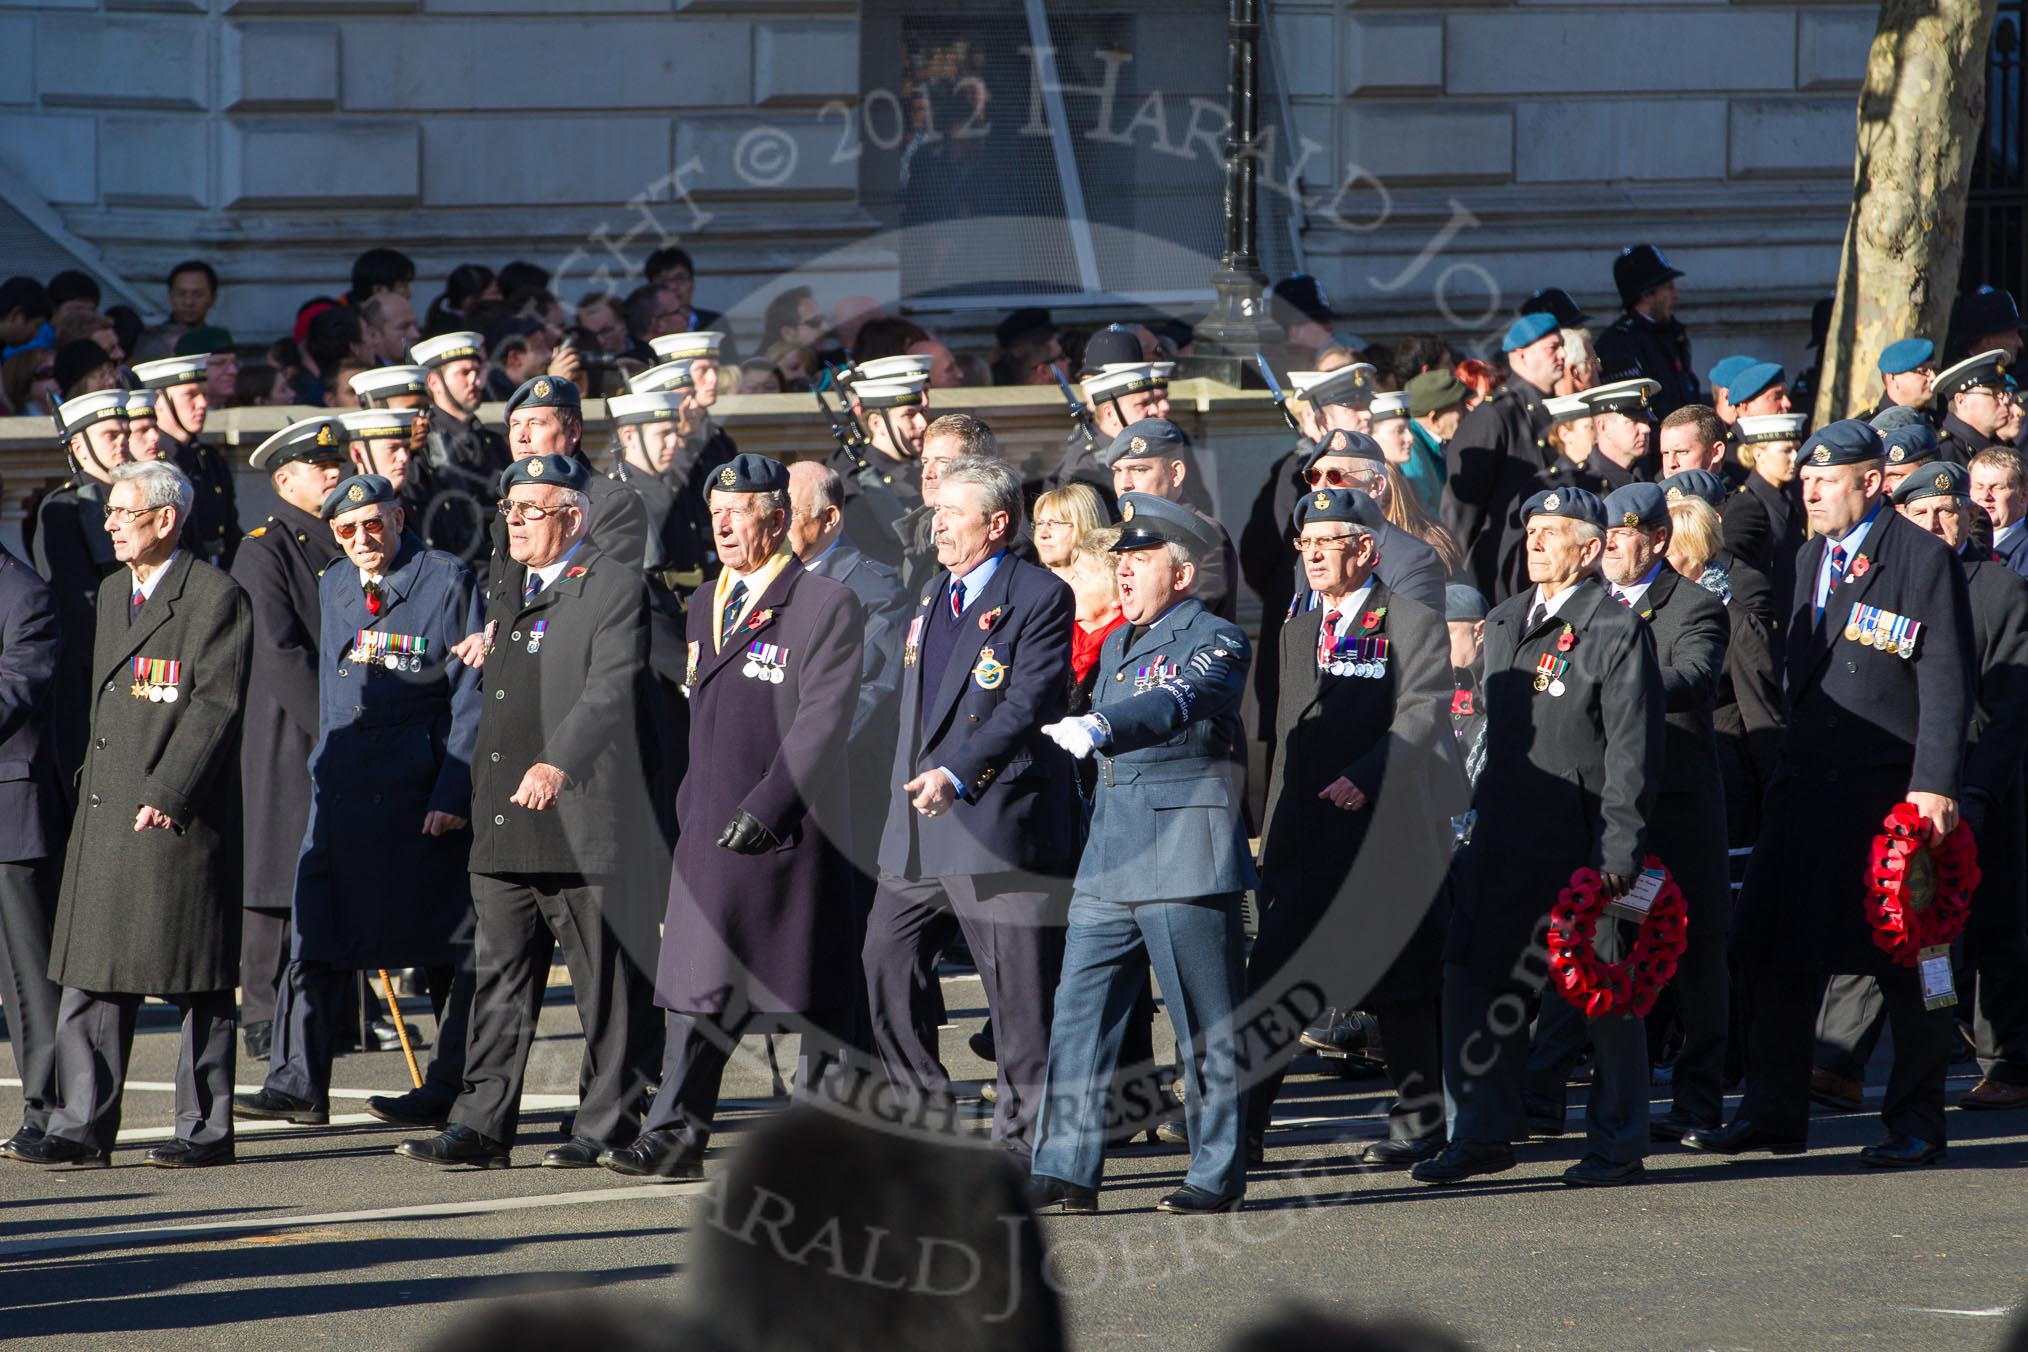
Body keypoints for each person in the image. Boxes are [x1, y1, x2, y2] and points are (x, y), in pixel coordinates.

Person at [1687, 419, 1974, 1169]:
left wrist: (1935, 784)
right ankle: (1772, 1114)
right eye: (1806, 478)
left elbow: (1945, 675)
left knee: (1908, 965)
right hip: (1806, 791)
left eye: (1829, 478)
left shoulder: (1919, 558)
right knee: (1767, 948)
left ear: (1872, 483)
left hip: (1888, 796)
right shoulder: (1810, 554)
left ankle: (1915, 1120)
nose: (1810, 488)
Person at [599, 454, 863, 1181]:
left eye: (738, 511)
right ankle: (674, 1136)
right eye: (716, 509)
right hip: (710, 826)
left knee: (815, 995)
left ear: (776, 520)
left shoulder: (823, 602)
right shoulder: (703, 600)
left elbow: (820, 723)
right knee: (696, 987)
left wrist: (768, 807)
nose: (721, 523)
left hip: (785, 830)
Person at [397, 453, 658, 1170]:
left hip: (577, 817)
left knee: (603, 986)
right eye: (507, 511)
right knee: (499, 981)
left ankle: (605, 1123)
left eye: (529, 511)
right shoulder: (507, 582)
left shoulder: (609, 585)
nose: (512, 523)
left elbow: (610, 688)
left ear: (572, 518)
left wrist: (559, 760)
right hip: (504, 814)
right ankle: (481, 1124)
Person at [1418, 486, 1663, 1188]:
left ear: (1589, 550)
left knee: (1601, 996)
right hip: (1498, 841)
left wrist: (1618, 854)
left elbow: (1631, 752)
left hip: (1579, 845)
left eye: (1552, 531)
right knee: (1471, 979)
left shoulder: (1614, 628)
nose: (1535, 541)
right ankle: (1483, 1132)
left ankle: (1617, 1143)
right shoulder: (1501, 620)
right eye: (1530, 529)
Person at [18, 461, 253, 1168]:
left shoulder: (214, 595)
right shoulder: (116, 590)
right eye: (111, 512)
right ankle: (79, 1128)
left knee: (197, 976)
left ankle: (205, 1131)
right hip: (108, 807)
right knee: (94, 971)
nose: (111, 523)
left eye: (124, 511)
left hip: (176, 814)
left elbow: (214, 706)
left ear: (166, 518)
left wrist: (169, 792)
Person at [233, 474, 484, 1128]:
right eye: (346, 530)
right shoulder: (334, 583)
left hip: (420, 786)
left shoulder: (446, 579)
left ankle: (452, 1083)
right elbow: (331, 692)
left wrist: (454, 788)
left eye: (374, 523)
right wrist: (323, 771)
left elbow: (469, 695)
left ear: (400, 518)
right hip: (344, 785)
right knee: (314, 930)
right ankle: (296, 1081)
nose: (362, 539)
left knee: (441, 945)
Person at [1027, 493, 1254, 1215]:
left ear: (1182, 574)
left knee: (1203, 1023)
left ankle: (1216, 1173)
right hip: (1113, 850)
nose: (1123, 572)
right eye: (1119, 560)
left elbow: (1177, 702)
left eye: (1140, 559)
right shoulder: (1121, 640)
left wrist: (1100, 724)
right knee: (1078, 1013)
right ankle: (1064, 1167)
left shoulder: (1216, 638)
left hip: (1183, 849)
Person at [862, 457, 1078, 1162]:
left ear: (997, 523)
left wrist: (958, 772)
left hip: (992, 819)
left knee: (1017, 997)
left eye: (951, 512)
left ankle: (1025, 1146)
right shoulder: (932, 593)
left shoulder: (1039, 595)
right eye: (937, 511)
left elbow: (1026, 704)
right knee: (886, 961)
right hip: (920, 829)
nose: (937, 523)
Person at [1246, 488, 1461, 1167]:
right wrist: (1272, 828)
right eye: (1305, 544)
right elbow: (1286, 736)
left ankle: (1419, 1123)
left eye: (1327, 542)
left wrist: (1367, 776)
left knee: (1398, 989)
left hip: (1381, 837)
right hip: (1305, 841)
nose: (1311, 554)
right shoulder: (1296, 629)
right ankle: (1241, 1130)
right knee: (1274, 979)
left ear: (1365, 549)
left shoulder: (1410, 620)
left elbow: (1424, 713)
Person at [1812, 463, 2028, 1113]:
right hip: (1906, 785)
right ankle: (1840, 1060)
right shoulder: (1887, 583)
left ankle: (2007, 1062)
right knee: (1890, 913)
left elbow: (2010, 702)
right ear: (1900, 516)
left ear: (1968, 517)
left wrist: (1980, 788)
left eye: (1948, 513)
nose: (1937, 525)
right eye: (1922, 514)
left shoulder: (2000, 588)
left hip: (1982, 784)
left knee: (1990, 931)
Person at [1581, 483, 1731, 1141]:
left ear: (1659, 540)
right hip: (1608, 810)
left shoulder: (1694, 605)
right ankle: (1618, 1103)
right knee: (1608, 950)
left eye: (1625, 533)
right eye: (1604, 533)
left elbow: (1695, 677)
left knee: (1696, 959)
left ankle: (1698, 1103)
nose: (1610, 544)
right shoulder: (1585, 606)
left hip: (1675, 808)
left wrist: (1613, 686)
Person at [229, 416, 350, 1061]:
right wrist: (335, 730)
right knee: (276, 876)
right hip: (288, 729)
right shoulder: (265, 548)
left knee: (332, 872)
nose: (336, 473)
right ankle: (262, 1011)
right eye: (320, 467)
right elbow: (278, 651)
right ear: (285, 480)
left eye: (340, 463)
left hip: (341, 726)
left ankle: (328, 1012)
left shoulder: (349, 540)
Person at [787, 459, 906, 932]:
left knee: (849, 934)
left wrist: (802, 760)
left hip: (843, 782)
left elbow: (872, 691)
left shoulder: (873, 587)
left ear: (829, 519)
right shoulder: (765, 580)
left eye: (790, 512)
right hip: (779, 782)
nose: (776, 522)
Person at [0, 540, 65, 1160]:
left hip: (9, 810)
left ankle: (47, 1107)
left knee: (25, 974)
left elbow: (18, 688)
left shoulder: (23, 592)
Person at [33, 390, 131, 792]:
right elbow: (81, 603)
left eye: (125, 433)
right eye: (111, 435)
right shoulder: (64, 509)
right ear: (79, 446)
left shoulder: (136, 499)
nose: (123, 443)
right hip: (93, 673)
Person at [1442, 313, 1564, 596]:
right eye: (1552, 347)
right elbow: (1462, 510)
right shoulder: (1495, 415)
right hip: (1501, 573)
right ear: (1520, 356)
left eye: (1561, 346)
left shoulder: (1551, 410)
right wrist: (1456, 580)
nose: (1563, 355)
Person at [486, 376, 649, 581]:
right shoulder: (510, 504)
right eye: (515, 424)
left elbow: (600, 588)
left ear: (573, 432)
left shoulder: (612, 502)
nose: (521, 436)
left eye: (535, 423)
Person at [1099, 418, 1238, 619]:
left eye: (1139, 470)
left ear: (1175, 473)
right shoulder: (1118, 531)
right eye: (1117, 471)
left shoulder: (1201, 533)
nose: (1124, 484)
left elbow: (1184, 615)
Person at [132, 352, 240, 569]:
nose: (202, 403)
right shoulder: (153, 464)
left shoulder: (209, 459)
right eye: (191, 395)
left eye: (204, 394)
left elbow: (230, 530)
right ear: (159, 401)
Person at [412, 331, 510, 564]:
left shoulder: (491, 441)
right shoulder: (423, 442)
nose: (475, 380)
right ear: (434, 382)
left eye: (477, 371)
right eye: (464, 373)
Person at [828, 371, 930, 570]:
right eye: (909, 415)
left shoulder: (924, 468)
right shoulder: (853, 481)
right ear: (877, 423)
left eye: (923, 413)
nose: (923, 424)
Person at [1722, 412, 1809, 633]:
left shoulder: (1789, 497)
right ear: (1759, 454)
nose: (1795, 457)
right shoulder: (1746, 506)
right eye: (1786, 450)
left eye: (1797, 448)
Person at [1596, 243, 1698, 417]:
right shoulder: (1618, 344)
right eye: (1668, 287)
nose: (1676, 295)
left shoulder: (1672, 334)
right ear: (1647, 294)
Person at [1933, 349, 2013, 464]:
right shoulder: (1945, 453)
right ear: (1961, 401)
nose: (2005, 400)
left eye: (2004, 393)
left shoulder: (1999, 443)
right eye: (1995, 394)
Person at [1970, 447, 2028, 579]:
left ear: (2023, 495)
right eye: (1979, 486)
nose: (1985, 496)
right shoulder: (1961, 542)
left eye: (1997, 487)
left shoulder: (2023, 553)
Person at [1867, 337, 1938, 421]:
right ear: (1893, 378)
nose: (1933, 377)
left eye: (1933, 369)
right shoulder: (1872, 429)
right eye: (1923, 371)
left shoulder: (1938, 419)